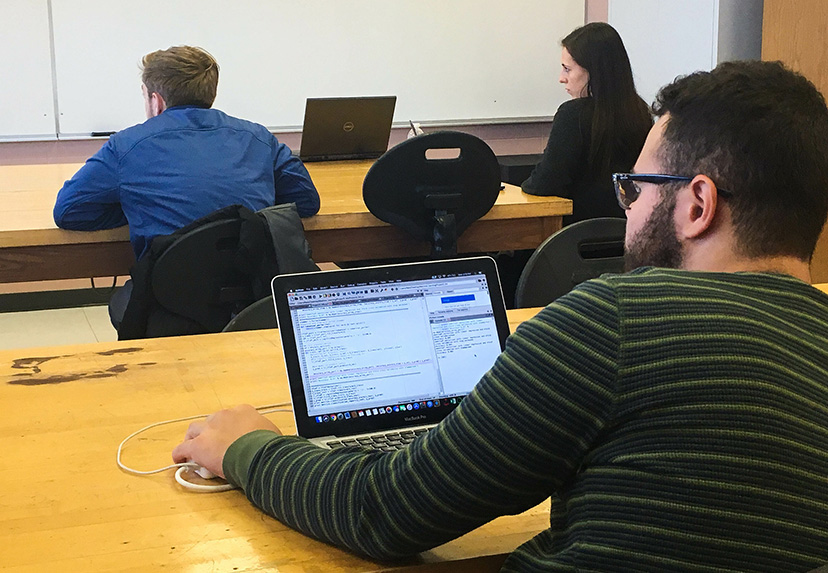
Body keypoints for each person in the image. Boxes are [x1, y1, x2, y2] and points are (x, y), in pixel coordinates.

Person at [172, 60, 828, 571]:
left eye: (635, 188)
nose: (625, 208)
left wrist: (246, 448)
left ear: (697, 204)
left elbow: (386, 512)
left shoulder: (616, 321)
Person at [53, 46, 320, 261]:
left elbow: (68, 211)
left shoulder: (126, 145)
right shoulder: (259, 138)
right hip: (255, 297)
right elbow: (306, 202)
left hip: (168, 302)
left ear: (155, 100)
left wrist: (141, 205)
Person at [521, 22, 652, 224]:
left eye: (567, 69)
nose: (561, 78)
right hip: (625, 237)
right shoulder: (641, 112)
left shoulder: (572, 115)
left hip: (574, 241)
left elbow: (544, 184)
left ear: (593, 71)